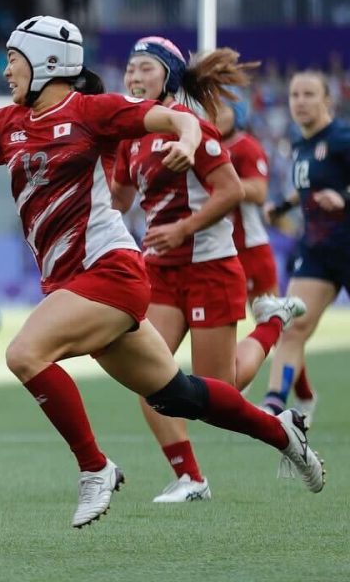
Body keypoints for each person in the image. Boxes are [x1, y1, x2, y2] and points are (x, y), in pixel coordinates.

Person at [0, 15, 324, 528]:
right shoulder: (8, 123)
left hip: (111, 271)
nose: (5, 70)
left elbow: (181, 120)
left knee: (24, 353)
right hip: (74, 283)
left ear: (49, 62)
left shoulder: (92, 111)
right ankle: (283, 434)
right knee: (179, 395)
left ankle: (95, 467)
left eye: (12, 58)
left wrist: (185, 139)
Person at [109, 38, 304, 504]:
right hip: (160, 271)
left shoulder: (193, 128)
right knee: (147, 374)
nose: (134, 78)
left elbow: (232, 190)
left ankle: (273, 322)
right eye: (130, 69)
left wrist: (184, 229)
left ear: (169, 78)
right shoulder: (128, 134)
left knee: (221, 391)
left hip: (210, 266)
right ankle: (191, 478)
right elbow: (116, 201)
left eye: (145, 69)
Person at [261, 70, 350, 421]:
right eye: (295, 94)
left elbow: (336, 190)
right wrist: (281, 206)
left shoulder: (343, 138)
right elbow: (307, 189)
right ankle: (274, 406)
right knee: (292, 325)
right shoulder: (300, 145)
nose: (300, 101)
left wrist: (344, 197)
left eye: (309, 94)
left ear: (327, 99)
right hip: (318, 253)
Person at [215, 96, 316, 406]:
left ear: (238, 113)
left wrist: (220, 184)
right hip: (217, 251)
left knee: (273, 323)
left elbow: (259, 192)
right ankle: (233, 378)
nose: (214, 115)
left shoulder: (246, 147)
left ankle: (304, 397)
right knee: (220, 323)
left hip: (251, 251)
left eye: (221, 109)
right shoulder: (202, 144)